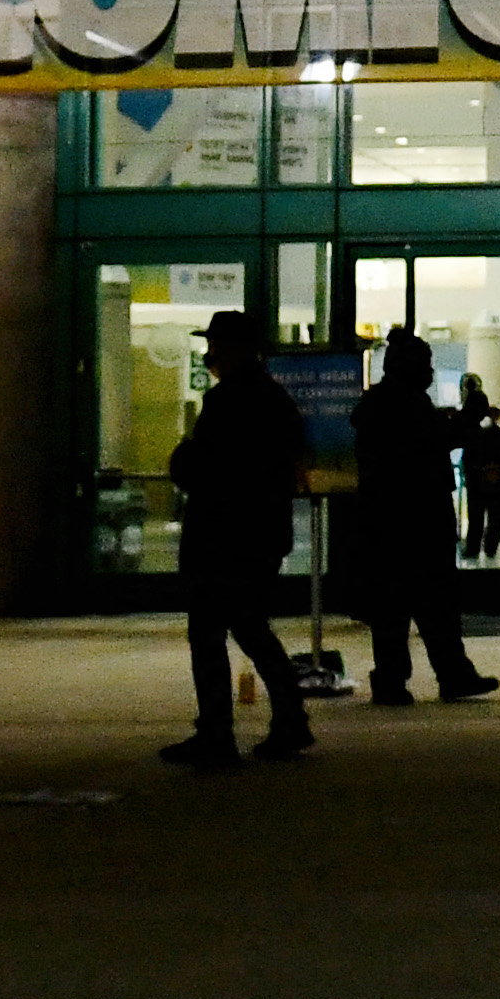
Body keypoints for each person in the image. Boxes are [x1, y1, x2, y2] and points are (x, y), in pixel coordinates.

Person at [158, 308, 316, 772]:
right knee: (251, 628)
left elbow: (207, 468)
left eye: (216, 346)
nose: (210, 354)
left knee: (210, 634)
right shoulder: (274, 399)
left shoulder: (229, 401)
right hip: (259, 534)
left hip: (224, 537)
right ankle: (288, 719)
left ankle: (218, 732)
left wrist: (184, 460)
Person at [348, 329, 495, 705]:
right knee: (433, 602)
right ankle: (446, 674)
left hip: (390, 519)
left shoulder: (383, 403)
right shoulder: (403, 404)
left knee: (395, 606)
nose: (430, 372)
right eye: (426, 365)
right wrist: (469, 416)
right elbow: (435, 440)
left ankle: (399, 679)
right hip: (416, 518)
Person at [455, 382, 500, 569]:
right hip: (495, 483)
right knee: (495, 516)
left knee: (477, 516)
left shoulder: (472, 436)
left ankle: (474, 548)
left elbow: (467, 459)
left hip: (477, 482)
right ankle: (489, 548)